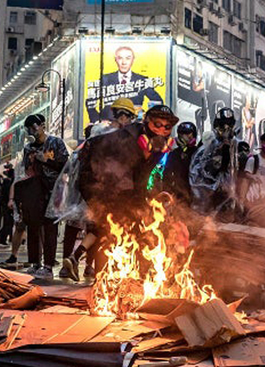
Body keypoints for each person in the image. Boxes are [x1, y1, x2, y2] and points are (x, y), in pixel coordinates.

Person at [63, 104, 179, 280]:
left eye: (167, 127)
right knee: (116, 226)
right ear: (147, 122)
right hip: (99, 183)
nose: (162, 130)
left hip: (119, 187)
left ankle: (79, 259)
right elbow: (116, 176)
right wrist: (138, 202)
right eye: (157, 124)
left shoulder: (156, 148)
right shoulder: (127, 140)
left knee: (107, 227)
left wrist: (149, 198)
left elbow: (143, 176)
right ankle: (106, 278)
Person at [18, 114, 69, 278]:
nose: (32, 131)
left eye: (34, 127)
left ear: (42, 126)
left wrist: (46, 160)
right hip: (33, 190)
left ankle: (48, 265)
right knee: (32, 226)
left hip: (52, 190)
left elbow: (65, 165)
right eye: (28, 129)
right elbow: (25, 170)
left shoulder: (55, 143)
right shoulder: (28, 148)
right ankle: (35, 262)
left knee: (50, 228)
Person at [86, 46, 164, 122]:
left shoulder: (142, 80)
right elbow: (90, 102)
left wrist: (146, 120)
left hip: (133, 125)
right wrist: (96, 121)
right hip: (109, 125)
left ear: (133, 59)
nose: (124, 62)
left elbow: (158, 101)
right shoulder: (105, 78)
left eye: (128, 58)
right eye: (120, 58)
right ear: (115, 60)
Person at [189, 108, 237, 216]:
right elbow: (197, 174)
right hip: (205, 203)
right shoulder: (208, 143)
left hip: (224, 202)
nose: (226, 129)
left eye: (229, 125)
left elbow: (231, 174)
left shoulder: (232, 146)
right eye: (223, 125)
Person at [239, 132, 265, 226]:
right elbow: (245, 179)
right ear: (262, 143)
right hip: (253, 202)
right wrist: (242, 200)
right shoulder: (253, 160)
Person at [163, 122, 198, 204]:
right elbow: (166, 175)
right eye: (182, 134)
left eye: (188, 134)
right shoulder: (174, 154)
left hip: (195, 194)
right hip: (179, 194)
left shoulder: (198, 152)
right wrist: (167, 192)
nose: (186, 137)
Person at [0, 163, 15, 246]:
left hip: (5, 203)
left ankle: (4, 238)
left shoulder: (6, 181)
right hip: (6, 204)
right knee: (7, 222)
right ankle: (3, 238)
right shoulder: (8, 182)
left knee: (8, 222)